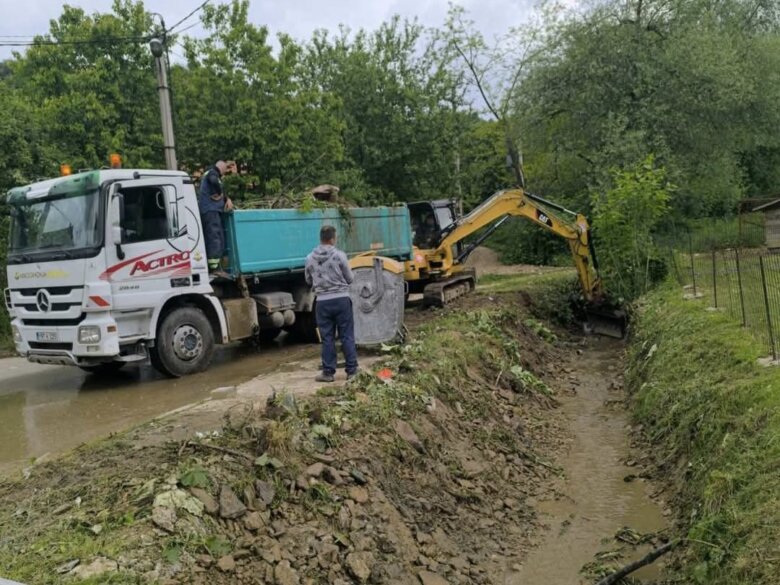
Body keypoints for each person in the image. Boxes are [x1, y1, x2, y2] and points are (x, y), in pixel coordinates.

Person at [305, 225, 359, 383]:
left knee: (327, 338)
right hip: (341, 300)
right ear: (333, 239)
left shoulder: (309, 258)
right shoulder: (339, 256)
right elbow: (350, 278)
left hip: (322, 302)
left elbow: (308, 280)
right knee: (346, 335)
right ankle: (352, 371)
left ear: (321, 238)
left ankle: (328, 373)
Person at [199, 160, 234, 275]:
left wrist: (226, 199)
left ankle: (218, 267)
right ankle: (214, 268)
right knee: (214, 238)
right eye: (225, 171)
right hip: (210, 210)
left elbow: (220, 189)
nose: (224, 174)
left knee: (219, 238)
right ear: (221, 168)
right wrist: (219, 192)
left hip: (213, 211)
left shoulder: (210, 173)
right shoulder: (213, 172)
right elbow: (214, 181)